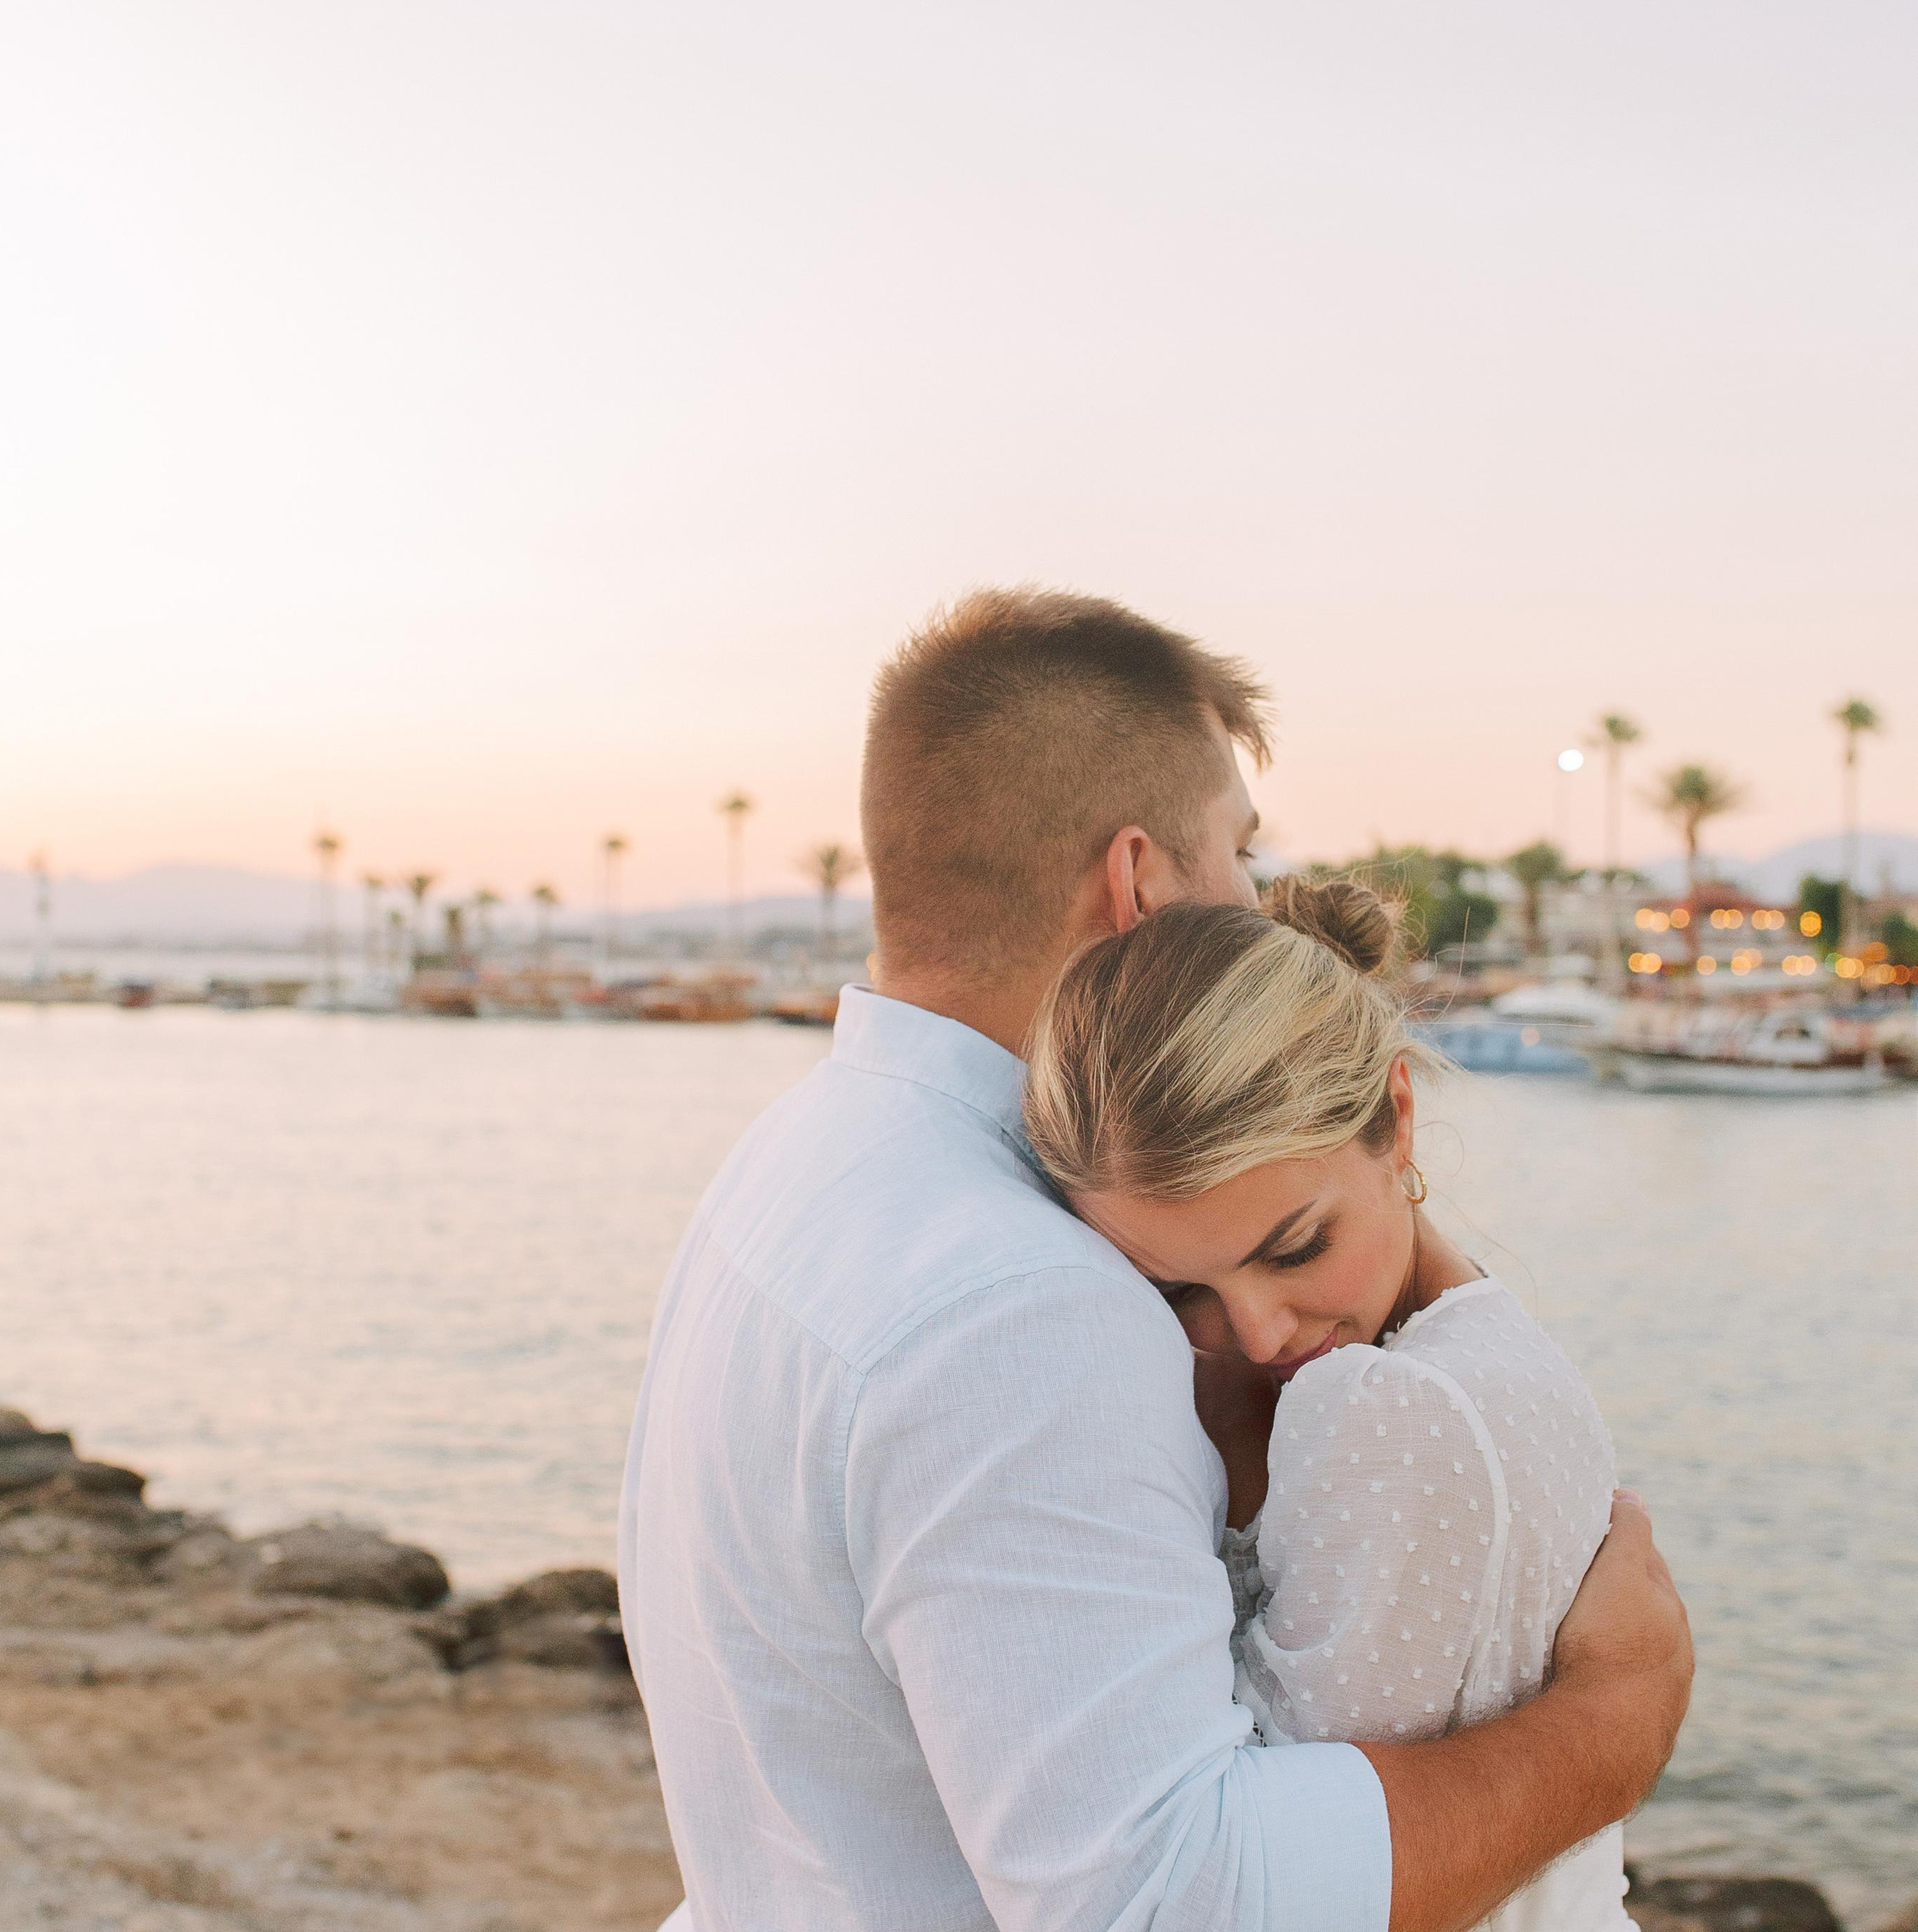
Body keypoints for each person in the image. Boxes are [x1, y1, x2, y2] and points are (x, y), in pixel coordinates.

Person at [619, 587, 1691, 1932]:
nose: (1257, 900)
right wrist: (1617, 1718)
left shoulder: (801, 1161)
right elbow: (1168, 1900)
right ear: (1141, 883)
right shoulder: (1022, 1302)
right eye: (1240, 850)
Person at [1022, 880, 1635, 1930]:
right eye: (1178, 1291)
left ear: (1397, 1119)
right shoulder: (1471, 1336)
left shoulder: (1394, 1412)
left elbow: (1283, 1886)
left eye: (1297, 1247)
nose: (1258, 1336)